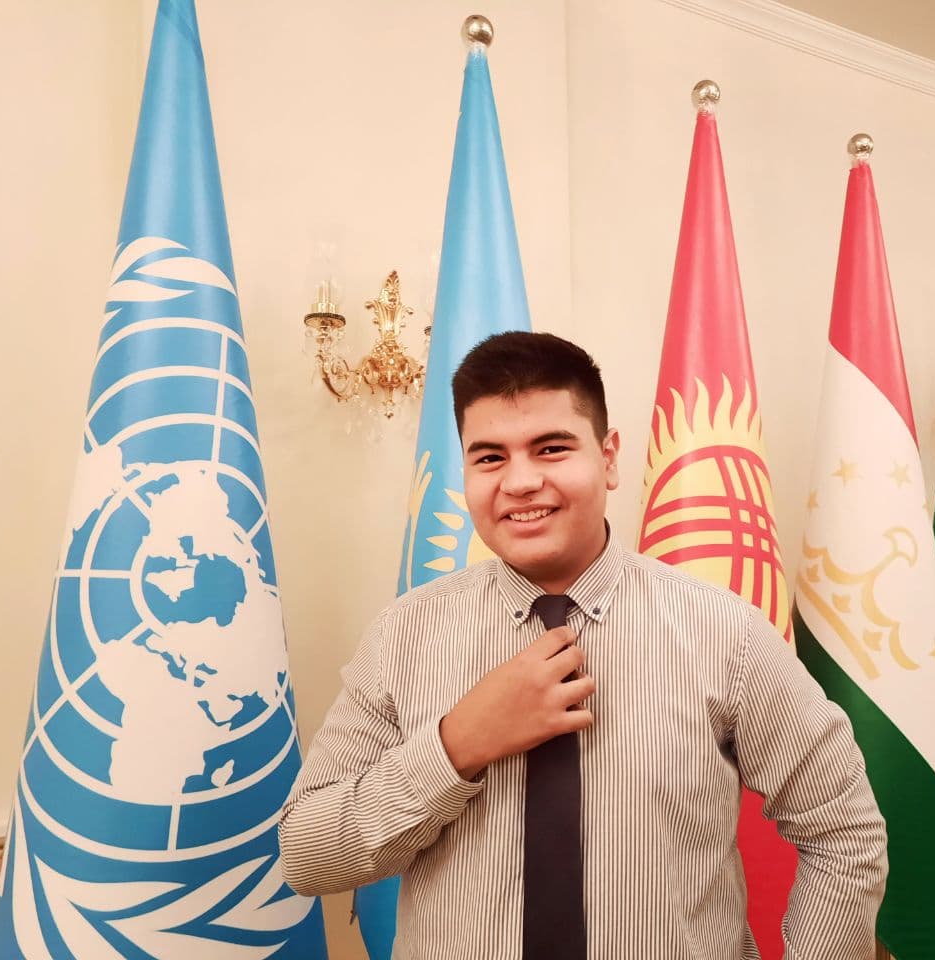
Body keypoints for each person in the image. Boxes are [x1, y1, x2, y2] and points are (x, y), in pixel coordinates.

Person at [280, 331, 888, 959]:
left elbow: (842, 826)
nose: (519, 482)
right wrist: (457, 744)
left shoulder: (722, 631)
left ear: (610, 456)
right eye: (489, 458)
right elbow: (307, 857)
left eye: (550, 448)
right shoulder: (402, 637)